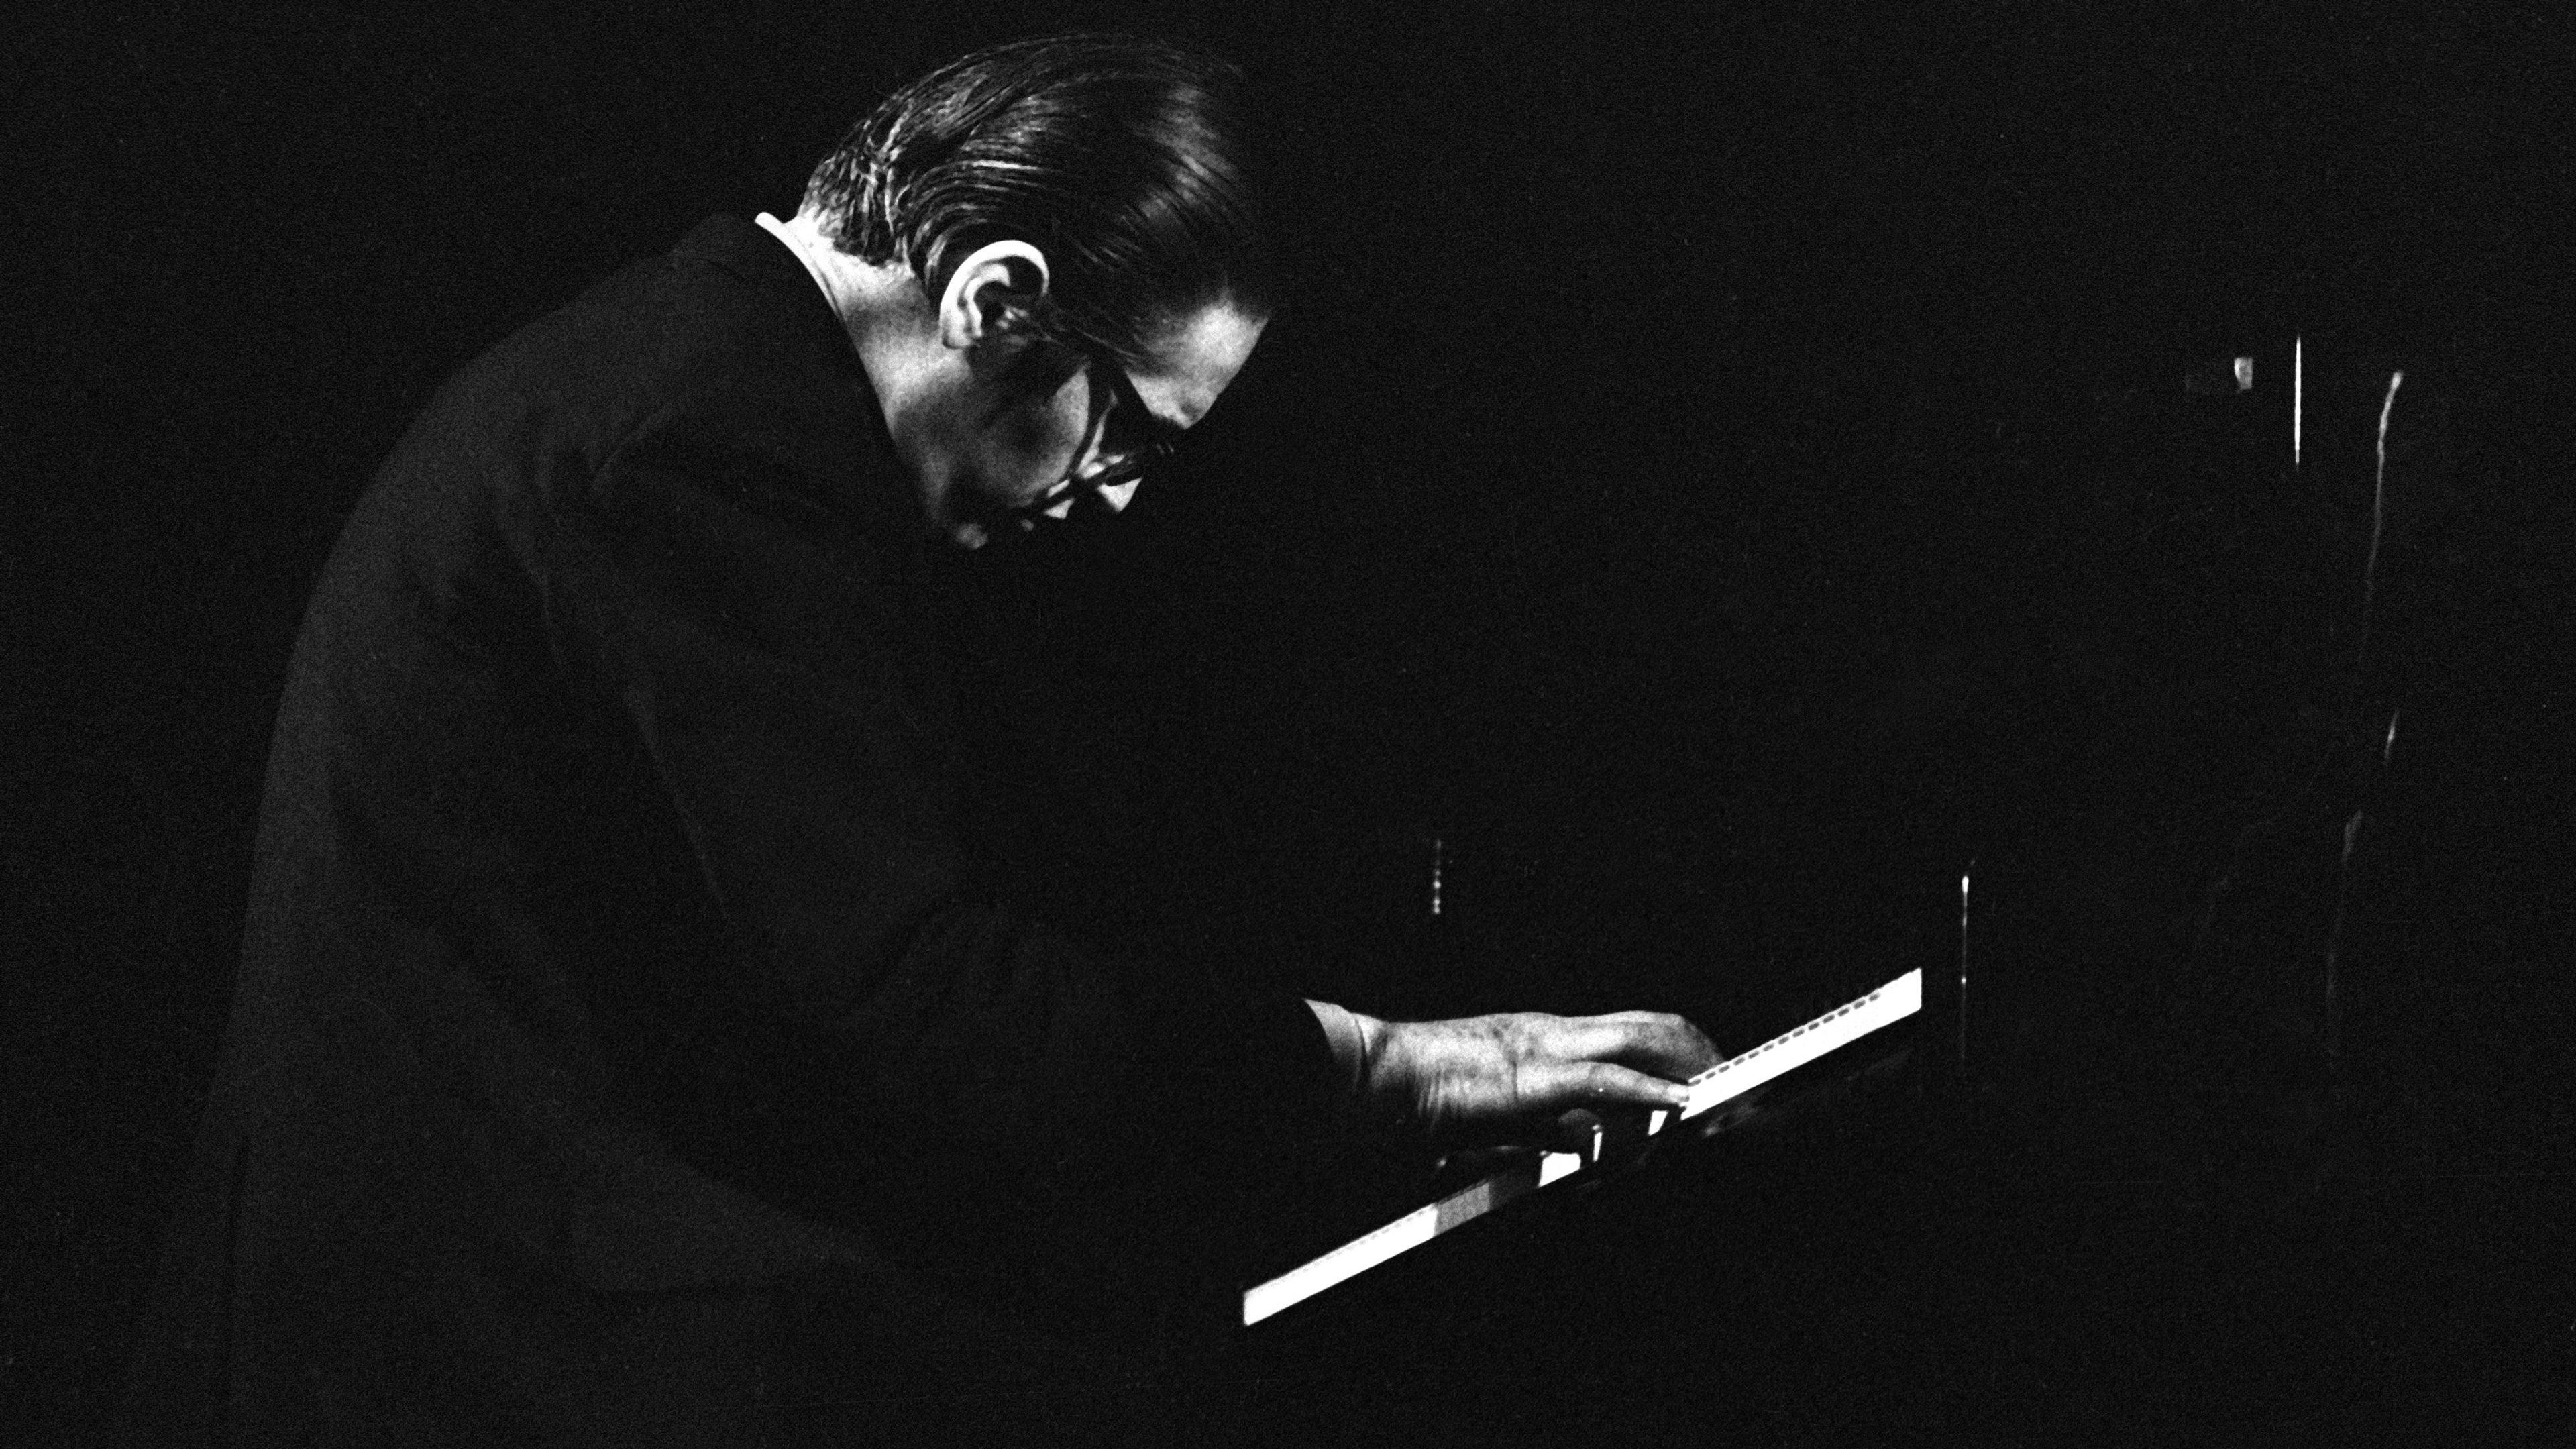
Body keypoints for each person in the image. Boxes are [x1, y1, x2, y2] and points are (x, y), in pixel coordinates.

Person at [117, 33, 1719, 1444]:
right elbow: (918, 1008)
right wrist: (1385, 1065)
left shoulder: (686, 373)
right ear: (997, 298)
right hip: (467, 1356)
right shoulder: (715, 447)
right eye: (1129, 429)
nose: (1121, 500)